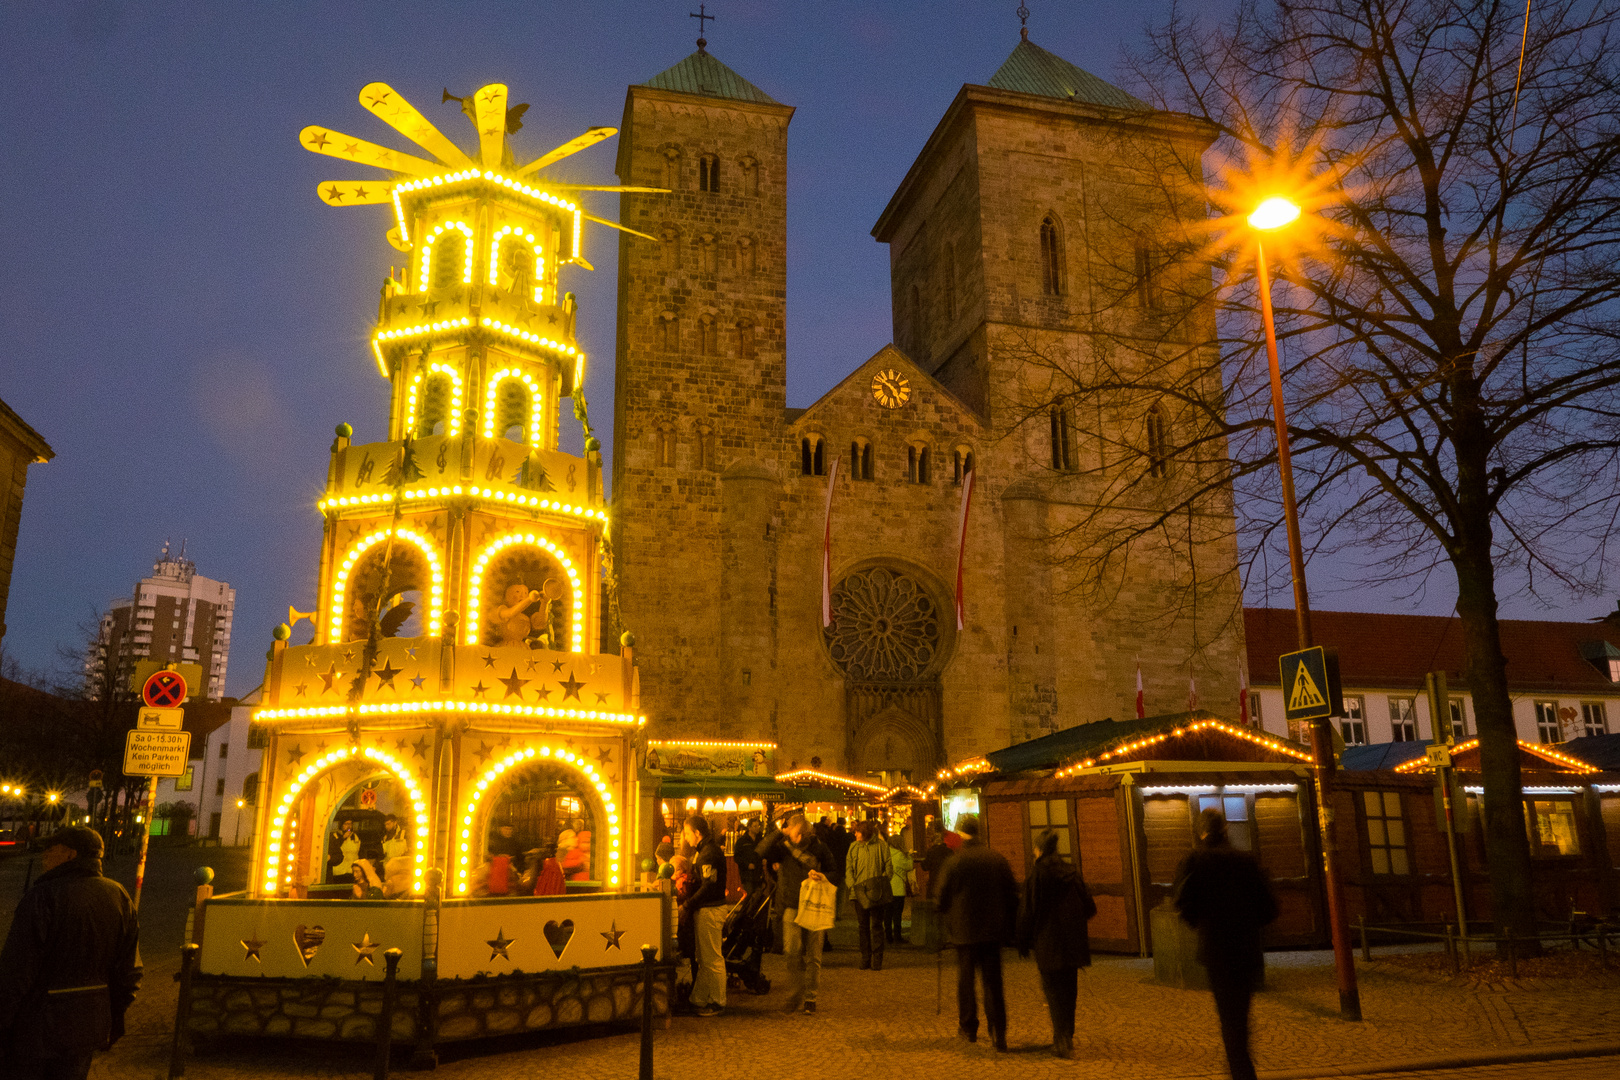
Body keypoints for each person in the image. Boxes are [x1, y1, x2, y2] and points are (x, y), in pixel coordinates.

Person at [0, 826, 142, 1080]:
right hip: (87, 1029)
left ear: (69, 854)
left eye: (50, 850)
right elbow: (129, 971)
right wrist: (112, 1017)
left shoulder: (43, 897)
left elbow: (17, 971)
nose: (44, 856)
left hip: (36, 1030)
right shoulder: (119, 896)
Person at [1173, 809, 1279, 1080]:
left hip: (1216, 949)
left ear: (1201, 831)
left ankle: (1241, 1071)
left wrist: (1200, 922)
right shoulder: (1247, 861)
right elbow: (1269, 908)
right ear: (1226, 829)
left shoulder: (1195, 860)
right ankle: (1239, 1067)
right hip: (1246, 948)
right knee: (1240, 1016)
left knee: (1229, 1015)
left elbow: (1182, 900)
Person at [935, 813, 1017, 1050]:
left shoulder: (955, 861)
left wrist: (943, 911)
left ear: (961, 834)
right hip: (992, 930)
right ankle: (998, 1032)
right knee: (993, 982)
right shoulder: (996, 859)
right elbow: (1011, 894)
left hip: (964, 931)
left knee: (966, 981)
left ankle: (969, 1027)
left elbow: (941, 897)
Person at [1017, 830, 1097, 1059]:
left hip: (1048, 942)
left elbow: (1028, 912)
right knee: (1070, 991)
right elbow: (1090, 906)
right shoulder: (1072, 872)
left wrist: (1022, 941)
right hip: (1073, 942)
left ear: (1039, 849)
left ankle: (1061, 1037)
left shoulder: (1037, 875)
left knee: (1053, 991)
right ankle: (1067, 1036)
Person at [753, 813, 835, 1013]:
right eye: (791, 833)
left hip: (815, 905)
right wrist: (779, 832)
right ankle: (795, 993)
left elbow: (834, 871)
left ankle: (810, 998)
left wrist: (823, 876)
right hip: (791, 904)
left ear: (805, 832)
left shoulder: (819, 848)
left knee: (814, 954)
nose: (793, 837)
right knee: (791, 952)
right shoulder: (782, 848)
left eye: (796, 833)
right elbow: (759, 851)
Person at [681, 814, 728, 1017]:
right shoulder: (706, 851)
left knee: (711, 958)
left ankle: (717, 1001)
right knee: (704, 957)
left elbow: (709, 884)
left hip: (710, 909)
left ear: (697, 833)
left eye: (687, 833)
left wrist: (689, 904)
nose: (686, 837)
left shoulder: (708, 854)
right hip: (707, 908)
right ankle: (698, 998)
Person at [845, 820, 893, 971]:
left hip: (876, 893)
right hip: (858, 893)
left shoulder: (881, 846)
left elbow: (888, 867)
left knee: (877, 926)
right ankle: (865, 957)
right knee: (862, 926)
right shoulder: (854, 847)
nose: (855, 834)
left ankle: (877, 959)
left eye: (858, 831)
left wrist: (879, 883)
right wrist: (853, 885)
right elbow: (848, 868)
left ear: (865, 832)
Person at [884, 831, 914, 945]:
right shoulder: (900, 855)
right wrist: (910, 856)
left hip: (887, 888)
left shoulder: (885, 854)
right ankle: (897, 936)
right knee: (897, 914)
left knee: (887, 914)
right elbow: (909, 866)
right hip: (897, 889)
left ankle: (888, 936)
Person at [733, 818, 765, 896]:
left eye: (758, 826)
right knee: (750, 895)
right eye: (755, 826)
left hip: (758, 872)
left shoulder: (760, 839)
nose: (757, 828)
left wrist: (764, 859)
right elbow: (737, 857)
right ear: (749, 828)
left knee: (759, 895)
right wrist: (747, 865)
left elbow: (765, 852)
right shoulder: (742, 841)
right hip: (747, 874)